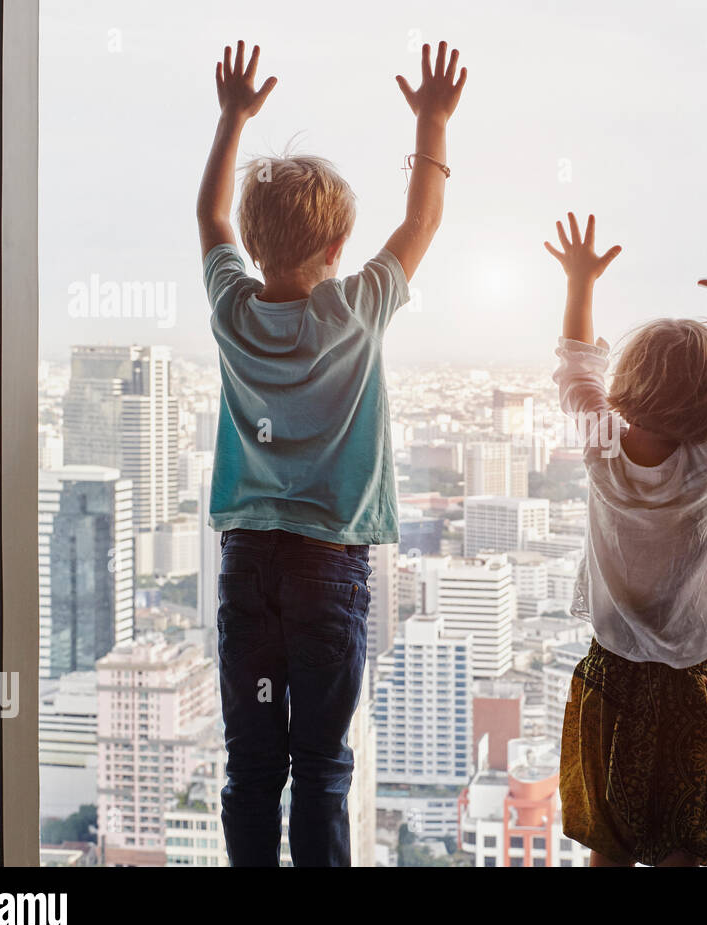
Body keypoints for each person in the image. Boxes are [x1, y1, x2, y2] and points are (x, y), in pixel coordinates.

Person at [195, 39, 467, 866]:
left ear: (255, 240)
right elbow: (421, 221)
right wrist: (430, 123)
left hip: (248, 561)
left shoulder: (232, 310)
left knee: (252, 764)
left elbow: (209, 218)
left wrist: (231, 120)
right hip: (328, 564)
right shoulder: (355, 311)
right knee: (322, 764)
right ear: (336, 250)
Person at [545, 213, 707, 866]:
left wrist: (579, 282)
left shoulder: (601, 446)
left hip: (609, 674)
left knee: (608, 843)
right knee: (684, 843)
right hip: (684, 683)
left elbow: (575, 368)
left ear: (628, 384)